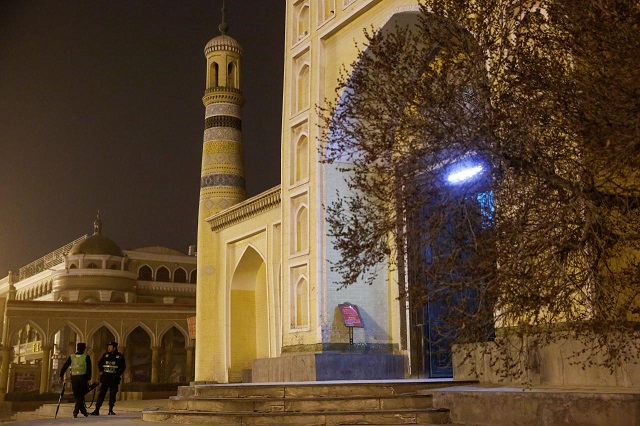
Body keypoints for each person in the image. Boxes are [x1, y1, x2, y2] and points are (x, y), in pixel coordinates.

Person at [89, 341, 126, 416]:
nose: (109, 348)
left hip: (114, 379)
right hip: (105, 378)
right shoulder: (105, 355)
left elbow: (122, 367)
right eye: (108, 346)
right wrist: (101, 371)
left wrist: (117, 374)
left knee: (113, 394)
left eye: (110, 346)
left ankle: (110, 410)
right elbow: (100, 364)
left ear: (114, 348)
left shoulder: (120, 356)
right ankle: (97, 410)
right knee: (101, 394)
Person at [59, 342, 92, 418]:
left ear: (77, 348)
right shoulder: (86, 357)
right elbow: (89, 369)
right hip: (82, 378)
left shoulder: (72, 357)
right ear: (84, 349)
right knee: (80, 395)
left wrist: (61, 375)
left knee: (77, 395)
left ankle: (84, 412)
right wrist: (89, 379)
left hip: (74, 378)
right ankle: (76, 411)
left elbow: (65, 366)